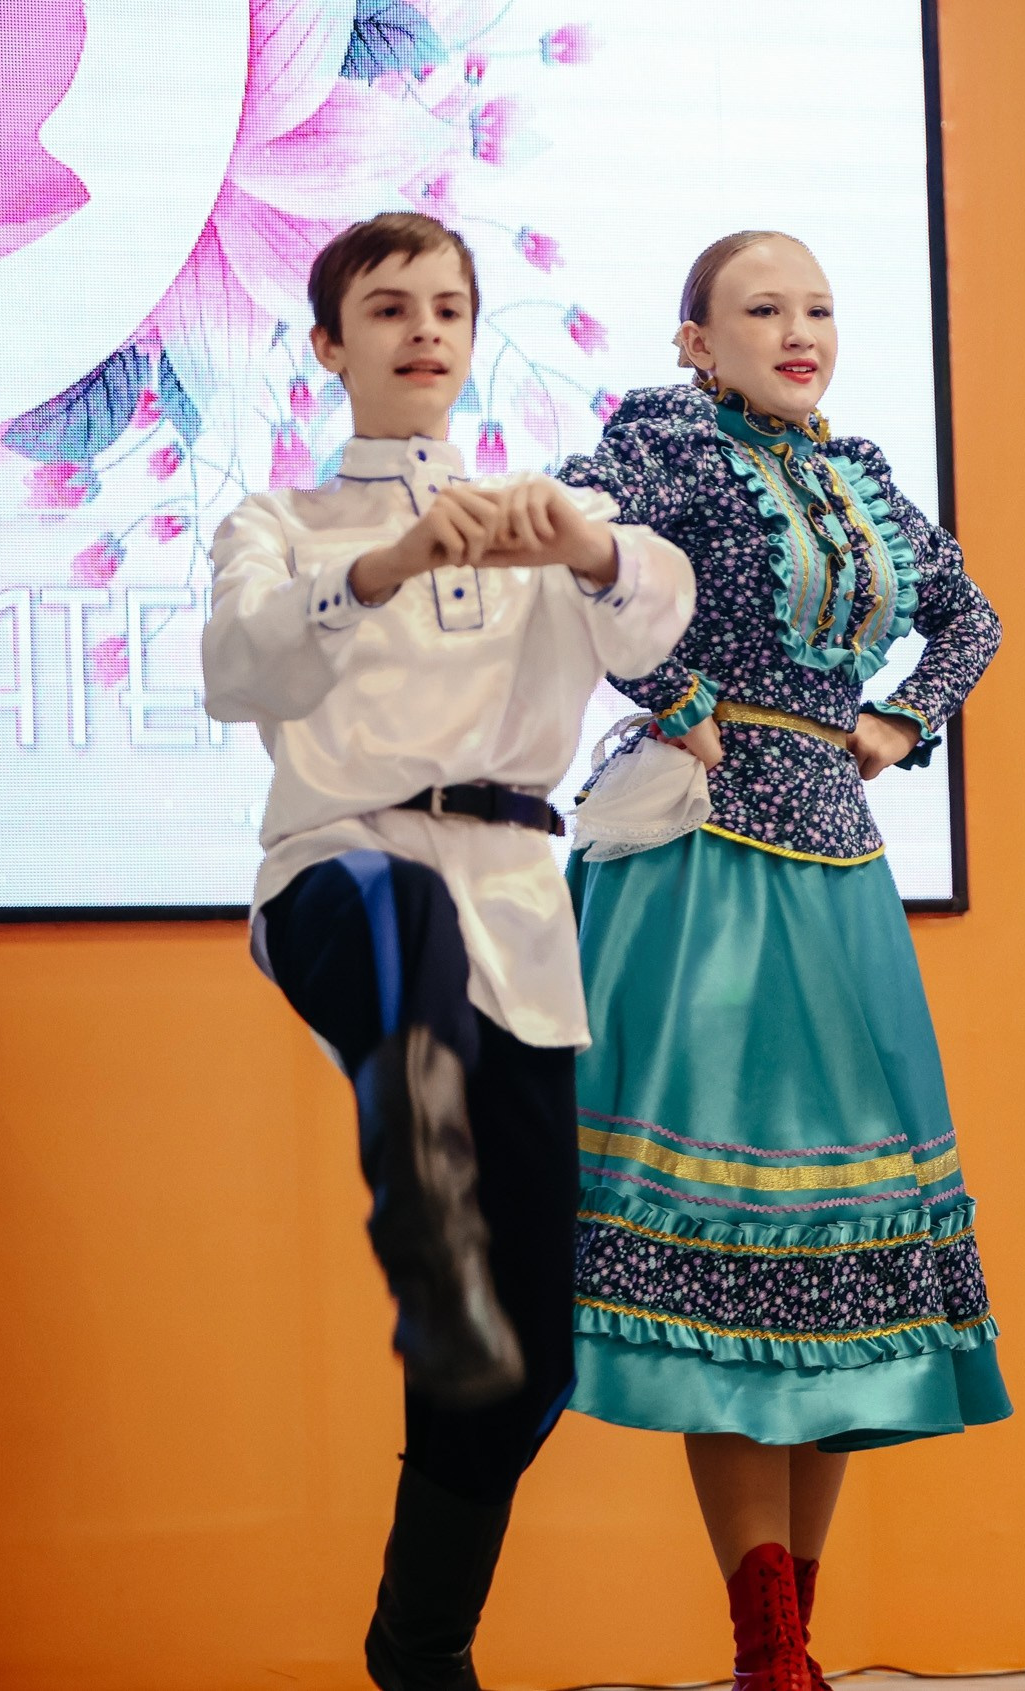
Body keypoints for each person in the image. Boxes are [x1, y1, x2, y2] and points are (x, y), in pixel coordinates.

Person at [201, 211, 695, 1691]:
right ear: (328, 343)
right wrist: (385, 563)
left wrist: (592, 542)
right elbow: (239, 667)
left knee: (526, 1353)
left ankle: (420, 1647)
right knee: (396, 912)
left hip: (518, 920)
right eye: (389, 305)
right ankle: (421, 1210)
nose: (423, 329)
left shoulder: (542, 519)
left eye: (448, 308)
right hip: (339, 875)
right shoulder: (280, 523)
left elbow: (655, 623)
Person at [556, 230, 1008, 1689]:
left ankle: (787, 1645)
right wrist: (679, 694)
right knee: (730, 1259)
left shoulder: (862, 472)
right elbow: (582, 571)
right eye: (761, 308)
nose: (798, 329)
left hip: (841, 882)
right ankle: (768, 1643)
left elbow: (970, 617)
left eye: (819, 304)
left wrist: (901, 721)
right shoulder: (663, 439)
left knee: (841, 1262)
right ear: (696, 337)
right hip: (702, 874)